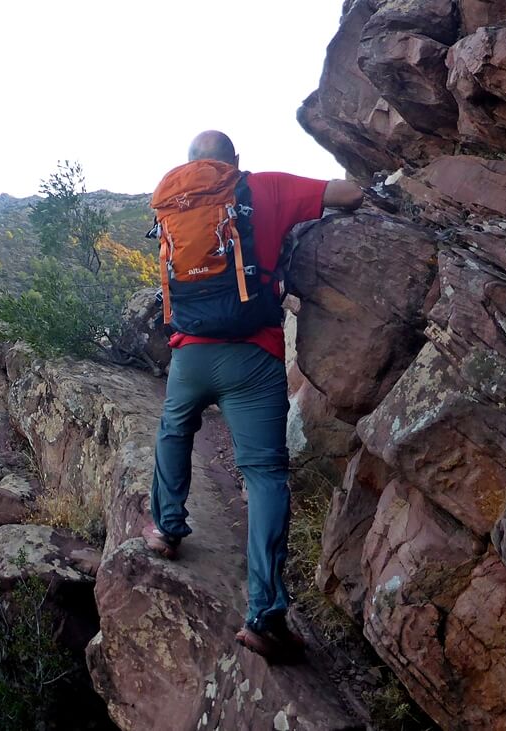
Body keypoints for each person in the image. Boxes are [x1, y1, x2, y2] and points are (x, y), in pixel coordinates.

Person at [145, 130, 363, 661]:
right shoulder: (264, 188)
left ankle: (167, 529)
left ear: (189, 164)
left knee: (174, 430)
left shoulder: (175, 205)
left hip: (190, 355)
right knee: (264, 475)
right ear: (234, 160)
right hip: (253, 356)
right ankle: (264, 617)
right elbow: (348, 194)